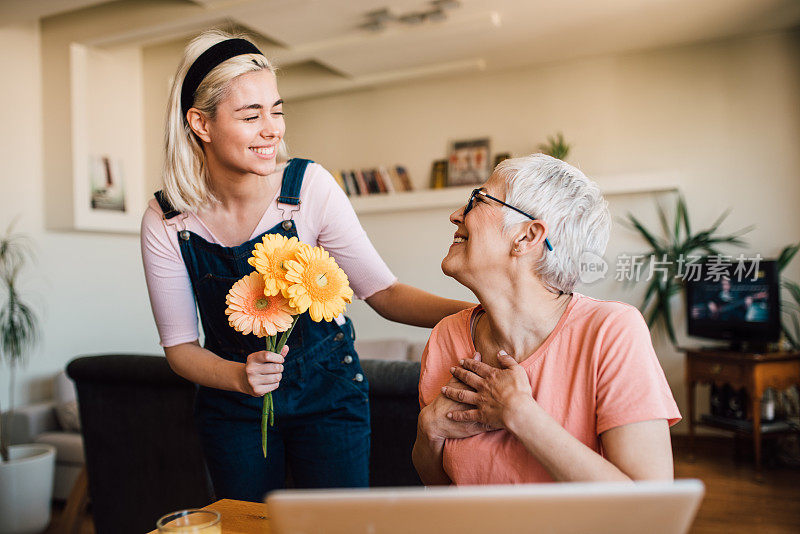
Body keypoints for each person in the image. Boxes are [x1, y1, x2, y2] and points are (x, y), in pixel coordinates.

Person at [140, 30, 471, 502]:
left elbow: (384, 294)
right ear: (200, 123)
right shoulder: (168, 220)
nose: (272, 129)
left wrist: (483, 313)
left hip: (330, 397)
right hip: (232, 408)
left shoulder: (308, 188)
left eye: (276, 110)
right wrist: (238, 377)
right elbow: (179, 348)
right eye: (251, 115)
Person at [412, 154, 681, 485]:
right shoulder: (446, 336)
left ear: (527, 236)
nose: (456, 216)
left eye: (477, 200)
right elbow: (438, 488)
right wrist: (429, 429)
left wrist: (520, 415)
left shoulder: (612, 331)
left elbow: (650, 512)